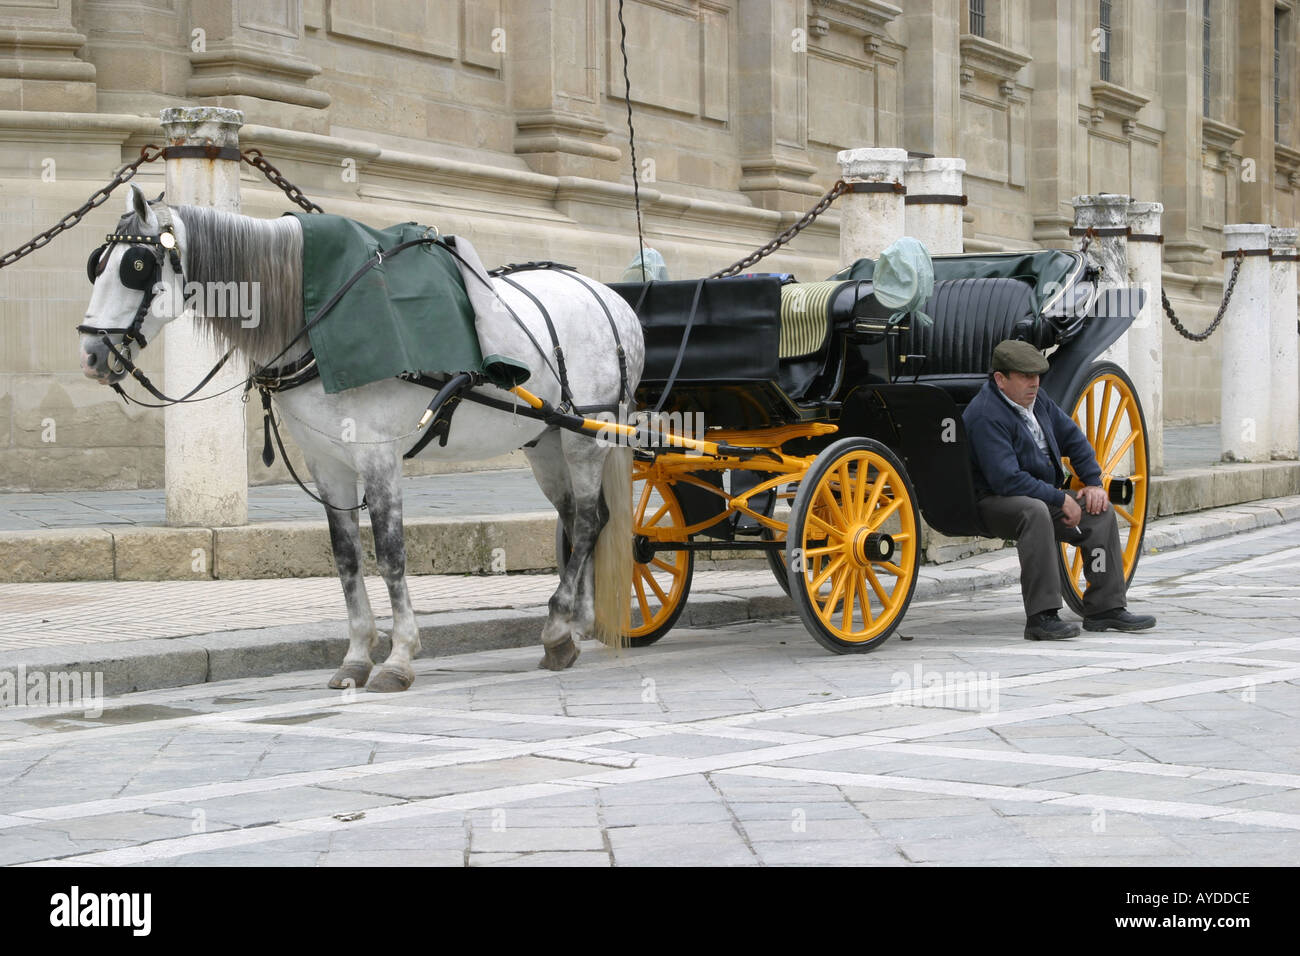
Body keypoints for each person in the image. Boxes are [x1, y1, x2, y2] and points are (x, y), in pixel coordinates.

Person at [963, 340, 1156, 641]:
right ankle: (1042, 617)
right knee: (1035, 512)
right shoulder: (987, 414)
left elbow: (1073, 439)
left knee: (1099, 509)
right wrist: (1059, 499)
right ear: (1001, 380)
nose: (1034, 382)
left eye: (1037, 375)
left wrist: (1093, 482)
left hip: (1037, 493)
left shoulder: (1038, 401)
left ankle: (1105, 608)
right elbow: (1007, 480)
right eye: (1025, 376)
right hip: (993, 501)